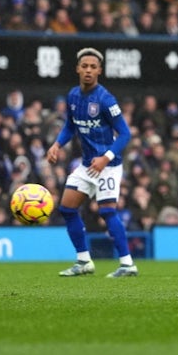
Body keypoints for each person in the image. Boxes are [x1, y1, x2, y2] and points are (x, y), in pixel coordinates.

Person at [46, 48, 136, 278]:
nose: (88, 70)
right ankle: (84, 261)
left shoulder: (106, 99)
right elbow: (70, 125)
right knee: (66, 208)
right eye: (84, 66)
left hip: (108, 165)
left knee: (107, 212)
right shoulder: (73, 95)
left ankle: (127, 264)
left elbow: (125, 134)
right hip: (87, 165)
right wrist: (57, 144)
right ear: (77, 69)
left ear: (99, 71)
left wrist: (105, 157)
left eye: (93, 67)